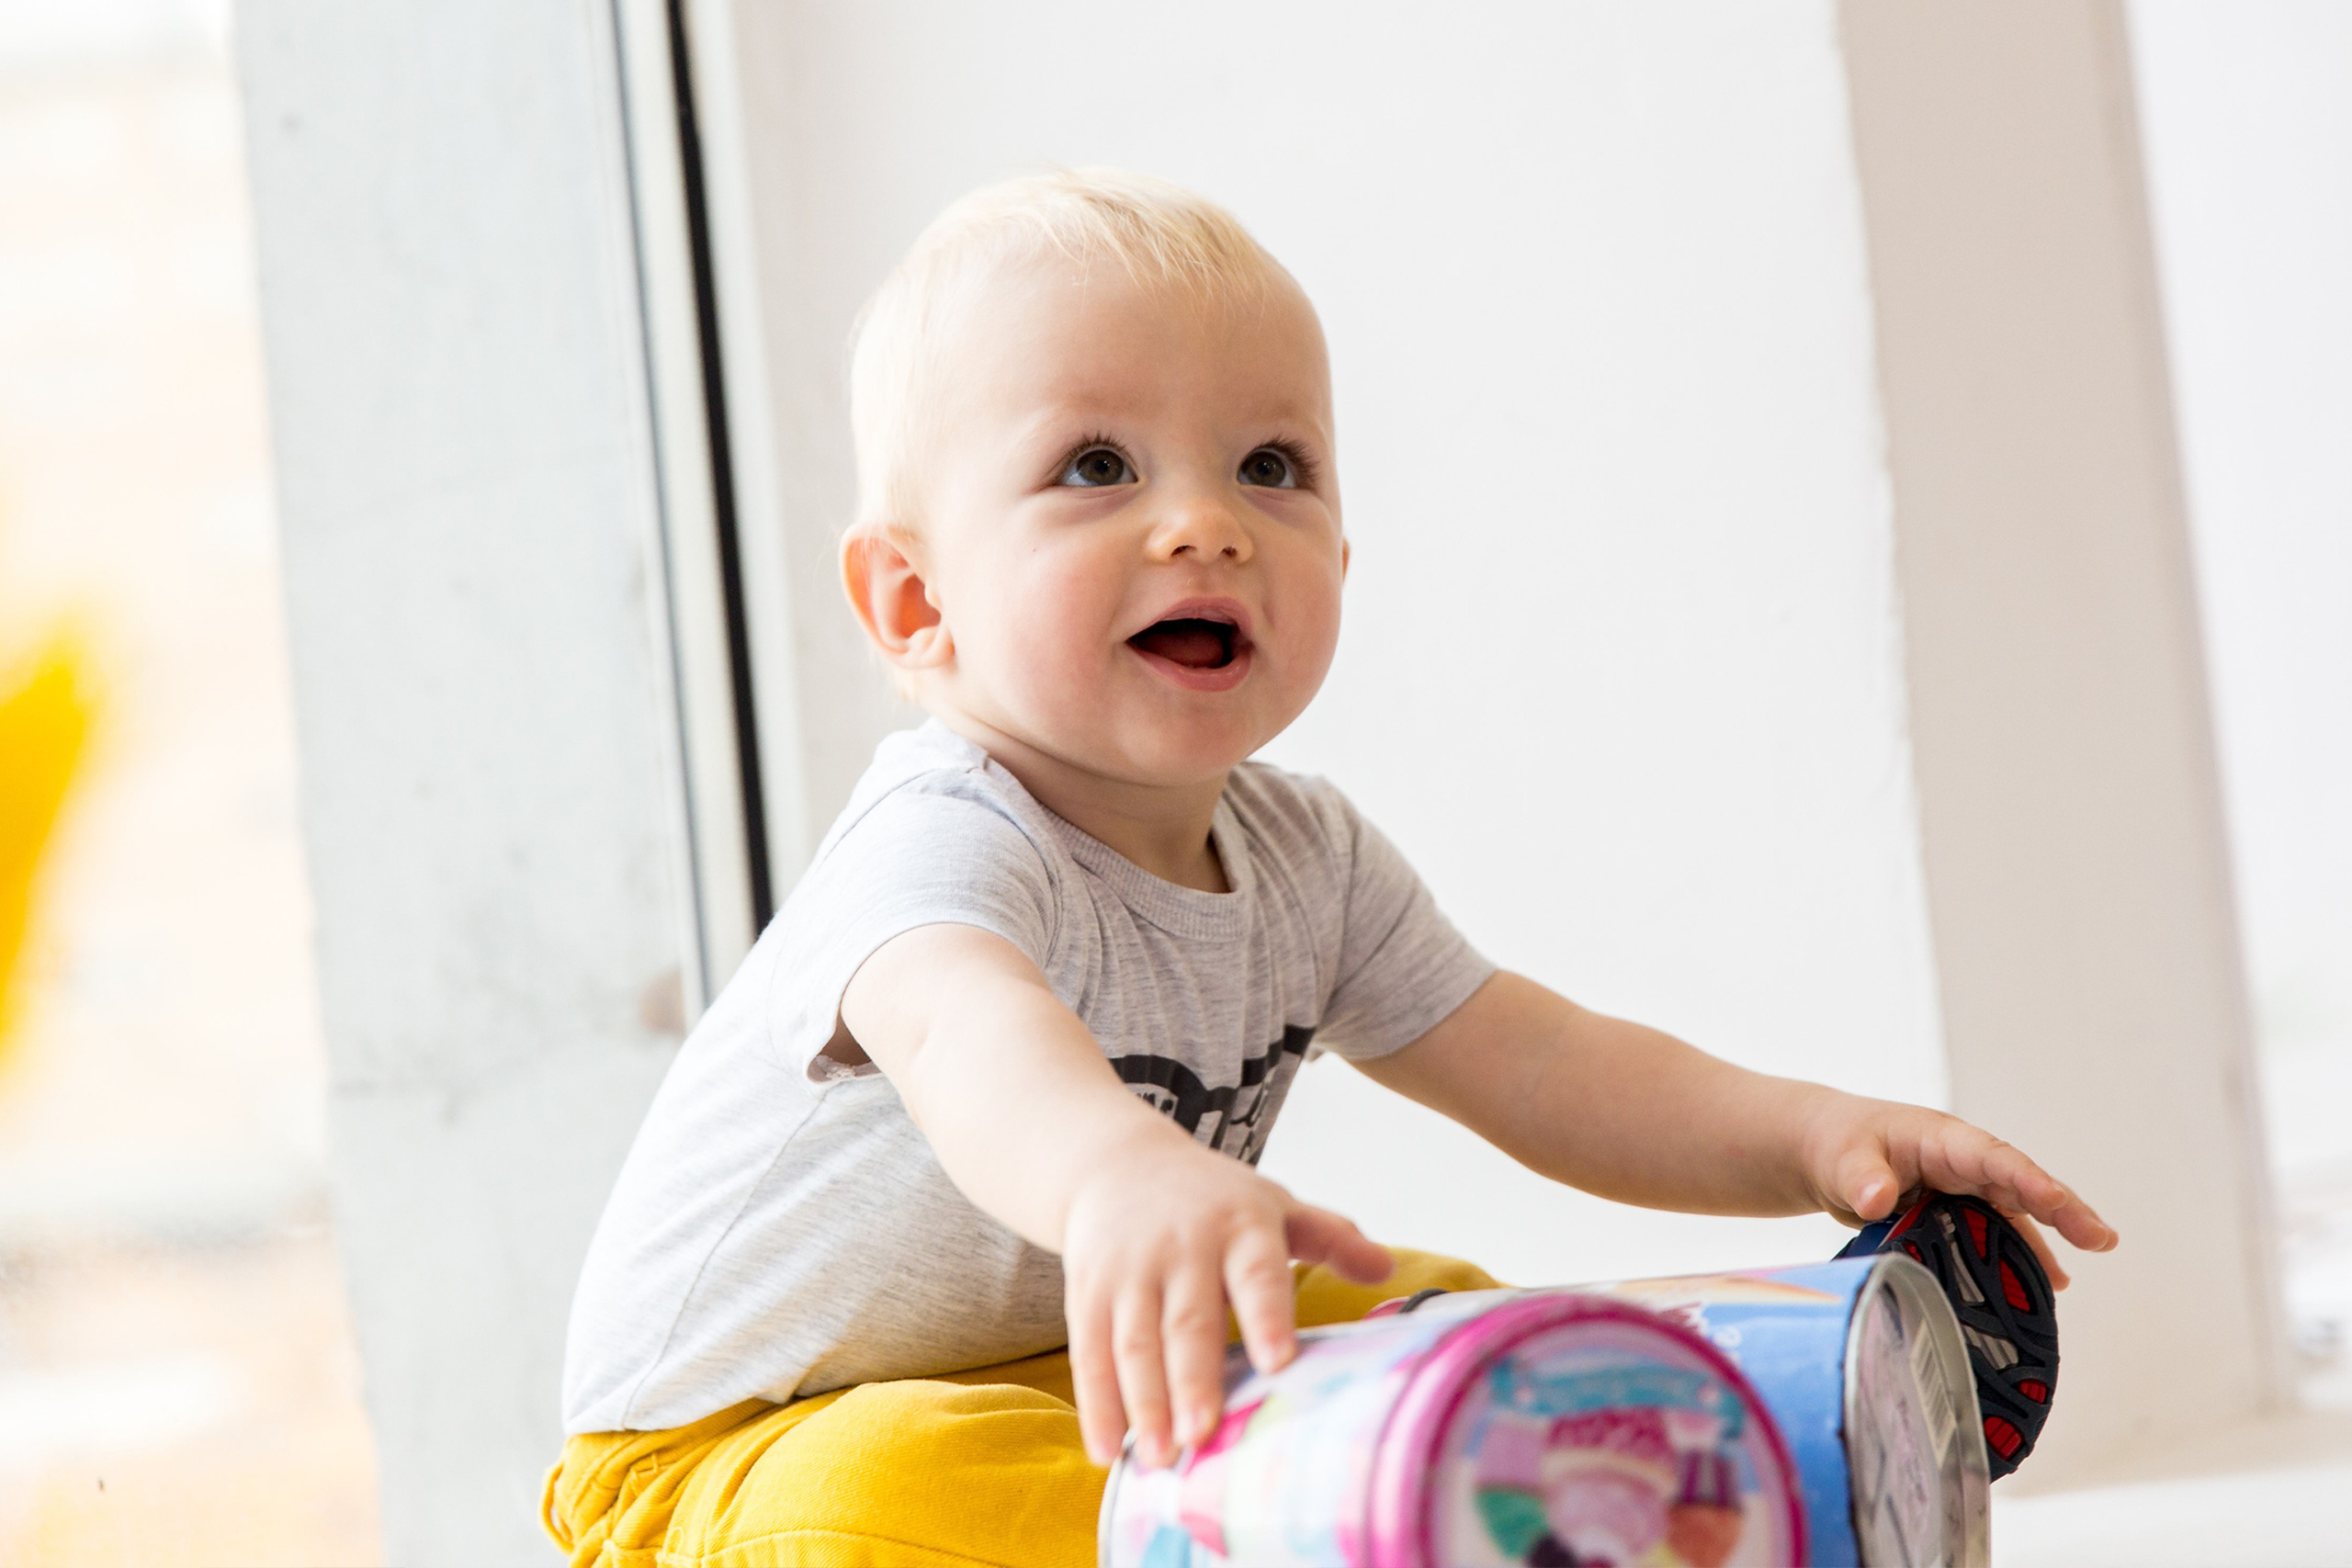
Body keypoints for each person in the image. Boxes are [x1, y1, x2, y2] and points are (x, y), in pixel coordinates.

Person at [543, 168, 2116, 1568]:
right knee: (901, 1482)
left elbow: (1543, 1062)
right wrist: (1122, 1177)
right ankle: (1368, 1510)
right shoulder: (943, 840)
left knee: (1439, 1309)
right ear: (911, 601)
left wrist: (1814, 1138)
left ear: (1341, 562)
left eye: (1272, 468)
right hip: (730, 1456)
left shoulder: (1306, 855)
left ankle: (1684, 1461)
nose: (1205, 525)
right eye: (1097, 466)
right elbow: (973, 1041)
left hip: (1098, 1363)